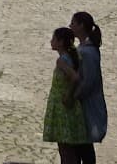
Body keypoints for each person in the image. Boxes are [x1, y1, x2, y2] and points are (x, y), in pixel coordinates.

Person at [42, 26, 89, 163]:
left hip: (62, 108)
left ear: (61, 42)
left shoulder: (62, 61)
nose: (51, 41)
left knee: (65, 150)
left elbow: (75, 78)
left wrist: (68, 94)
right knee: (70, 149)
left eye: (54, 39)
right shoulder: (73, 57)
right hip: (70, 108)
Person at [69, 12, 107, 164]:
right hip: (83, 102)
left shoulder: (87, 52)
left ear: (81, 26)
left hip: (86, 104)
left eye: (73, 23)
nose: (70, 26)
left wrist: (74, 97)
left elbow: (88, 81)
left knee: (84, 146)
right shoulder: (84, 48)